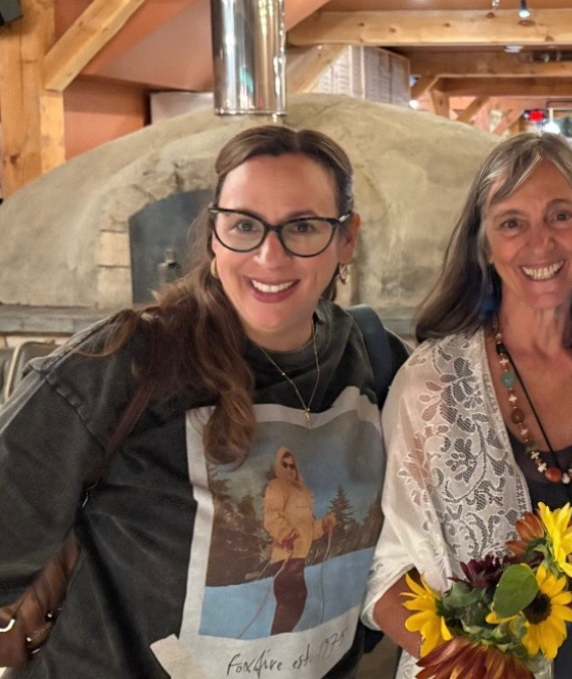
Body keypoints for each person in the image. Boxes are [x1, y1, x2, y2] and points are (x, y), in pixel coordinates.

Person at [0, 125, 410, 677]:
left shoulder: (376, 360)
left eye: (303, 227)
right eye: (244, 225)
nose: (270, 254)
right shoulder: (128, 362)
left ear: (346, 239)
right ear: (215, 234)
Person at [365, 132, 572, 679]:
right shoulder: (431, 386)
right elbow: (386, 575)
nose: (540, 243)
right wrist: (475, 669)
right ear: (484, 246)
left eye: (560, 216)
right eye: (511, 222)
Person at [262, 446, 337, 634]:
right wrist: (287, 533)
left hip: (299, 557)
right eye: (285, 465)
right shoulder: (277, 486)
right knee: (293, 600)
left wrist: (323, 525)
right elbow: (271, 516)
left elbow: (309, 528)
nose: (289, 469)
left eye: (292, 466)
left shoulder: (303, 492)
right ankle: (277, 640)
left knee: (295, 601)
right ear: (279, 467)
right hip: (284, 557)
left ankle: (279, 639)